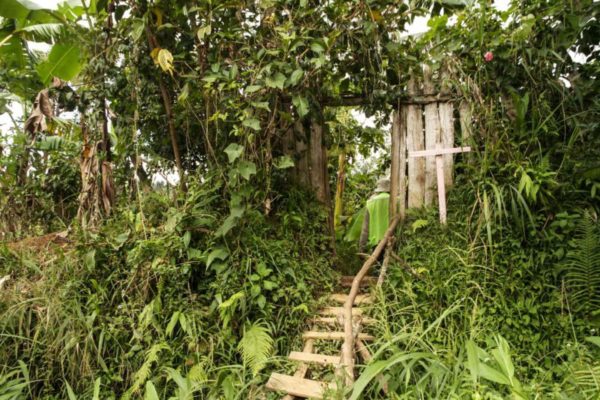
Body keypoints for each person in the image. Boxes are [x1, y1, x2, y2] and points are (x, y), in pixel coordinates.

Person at [358, 177, 390, 251]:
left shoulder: (370, 202)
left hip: (375, 243)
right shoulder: (396, 201)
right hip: (391, 240)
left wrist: (361, 247)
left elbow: (365, 229)